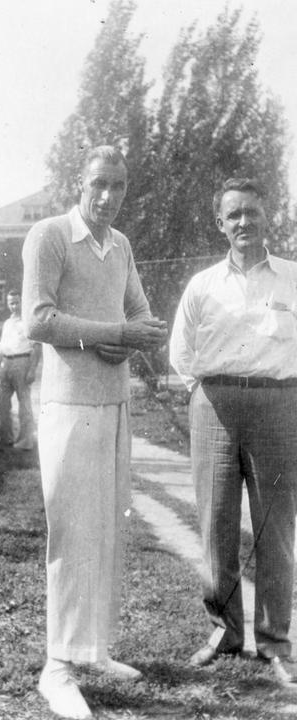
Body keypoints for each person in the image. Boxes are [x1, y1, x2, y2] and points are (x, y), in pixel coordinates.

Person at [22, 145, 166, 719]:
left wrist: (131, 335)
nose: (107, 196)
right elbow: (39, 319)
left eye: (118, 186)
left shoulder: (122, 244)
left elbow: (142, 318)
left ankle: (93, 649)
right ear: (78, 182)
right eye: (98, 183)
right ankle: (56, 669)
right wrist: (112, 333)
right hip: (69, 404)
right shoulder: (50, 234)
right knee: (72, 531)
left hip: (114, 401)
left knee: (106, 529)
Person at [170, 177, 297, 685]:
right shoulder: (203, 284)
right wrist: (199, 395)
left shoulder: (291, 278)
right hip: (215, 405)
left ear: (268, 217)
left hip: (278, 406)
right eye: (234, 215)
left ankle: (274, 641)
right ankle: (224, 632)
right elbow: (180, 351)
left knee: (276, 527)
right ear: (220, 224)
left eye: (252, 212)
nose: (244, 222)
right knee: (216, 523)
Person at [0, 289, 41, 450]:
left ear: (22, 302)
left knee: (24, 403)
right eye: (10, 303)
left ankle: (26, 440)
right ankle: (5, 438)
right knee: (3, 404)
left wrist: (32, 370)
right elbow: (1, 347)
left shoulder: (28, 321)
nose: (13, 306)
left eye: (16, 302)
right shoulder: (7, 323)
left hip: (22, 362)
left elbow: (36, 347)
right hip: (6, 363)